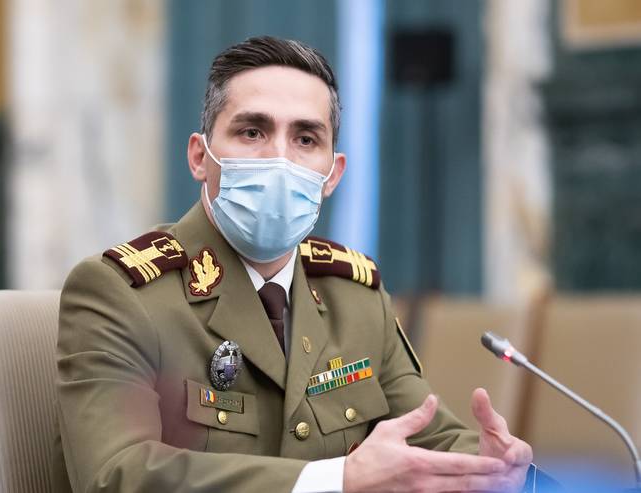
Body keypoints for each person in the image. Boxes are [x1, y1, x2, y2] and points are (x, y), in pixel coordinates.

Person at [54, 35, 536, 493]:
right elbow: (116, 475)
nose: (278, 160)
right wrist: (335, 481)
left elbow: (429, 439)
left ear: (332, 175)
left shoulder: (355, 297)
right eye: (252, 132)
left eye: (306, 139)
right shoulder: (120, 293)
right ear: (200, 157)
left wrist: (494, 469)